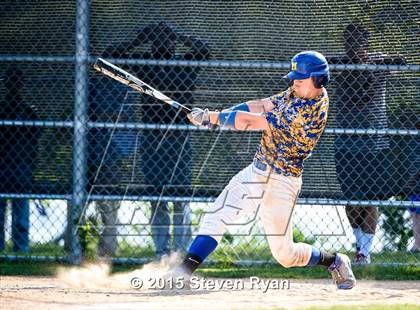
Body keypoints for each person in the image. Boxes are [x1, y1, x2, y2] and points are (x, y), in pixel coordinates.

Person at [168, 51, 356, 290]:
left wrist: (211, 118)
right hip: (257, 171)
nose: (294, 82)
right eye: (294, 77)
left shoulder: (307, 112)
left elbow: (253, 121)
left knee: (285, 255)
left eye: (301, 78)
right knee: (216, 215)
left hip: (282, 182)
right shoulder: (298, 92)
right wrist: (217, 113)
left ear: (319, 80)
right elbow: (261, 105)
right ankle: (183, 272)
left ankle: (335, 260)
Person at [105, 21, 211, 257]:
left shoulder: (183, 63)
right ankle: (162, 251)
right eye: (158, 39)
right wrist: (138, 39)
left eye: (167, 38)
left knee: (180, 195)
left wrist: (179, 34)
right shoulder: (145, 64)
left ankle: (181, 251)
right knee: (157, 194)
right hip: (153, 136)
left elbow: (205, 50)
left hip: (179, 136)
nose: (163, 43)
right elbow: (109, 56)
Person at [329, 22, 406, 264]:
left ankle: (364, 252)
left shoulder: (378, 64)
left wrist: (376, 62)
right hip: (346, 143)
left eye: (359, 42)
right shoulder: (338, 66)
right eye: (350, 41)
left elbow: (401, 60)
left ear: (366, 43)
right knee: (352, 199)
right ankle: (359, 242)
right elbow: (320, 61)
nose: (355, 46)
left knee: (371, 199)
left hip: (376, 144)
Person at [0, 66, 41, 253]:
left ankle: (21, 248)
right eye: (11, 82)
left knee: (20, 210)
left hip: (21, 167)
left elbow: (34, 138)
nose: (14, 86)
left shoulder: (29, 112)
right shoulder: (3, 110)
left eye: (17, 81)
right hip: (4, 165)